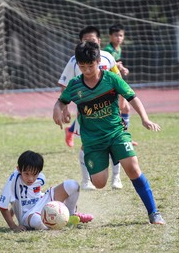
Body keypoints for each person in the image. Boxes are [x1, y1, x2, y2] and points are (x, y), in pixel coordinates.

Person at [53, 41, 166, 225]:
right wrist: (57, 109)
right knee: (99, 183)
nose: (87, 70)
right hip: (92, 141)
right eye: (82, 66)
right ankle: (110, 157)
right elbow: (61, 101)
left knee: (133, 168)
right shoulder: (75, 85)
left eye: (90, 65)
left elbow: (133, 97)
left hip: (116, 132)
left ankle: (154, 213)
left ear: (99, 61)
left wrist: (145, 119)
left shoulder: (111, 79)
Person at [57, 26, 123, 190]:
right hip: (86, 114)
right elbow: (65, 86)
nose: (89, 43)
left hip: (109, 111)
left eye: (92, 40)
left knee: (115, 144)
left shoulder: (107, 57)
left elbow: (117, 77)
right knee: (85, 145)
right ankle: (86, 181)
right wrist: (65, 109)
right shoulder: (74, 62)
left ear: (99, 41)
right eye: (85, 41)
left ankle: (117, 178)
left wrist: (123, 101)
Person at [0, 150, 93, 231]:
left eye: (34, 174)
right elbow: (2, 206)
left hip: (42, 202)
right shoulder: (13, 181)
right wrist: (13, 226)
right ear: (18, 169)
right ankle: (59, 224)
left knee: (73, 185)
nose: (30, 178)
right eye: (26, 174)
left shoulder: (40, 177)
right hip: (28, 216)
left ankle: (71, 214)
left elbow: (25, 196)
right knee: (37, 220)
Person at [103, 23, 131, 129]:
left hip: (117, 80)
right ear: (110, 36)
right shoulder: (108, 50)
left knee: (126, 108)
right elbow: (107, 65)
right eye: (116, 35)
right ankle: (118, 133)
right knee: (118, 108)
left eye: (121, 35)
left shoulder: (118, 49)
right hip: (110, 83)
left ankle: (123, 133)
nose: (119, 38)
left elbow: (117, 63)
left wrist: (122, 68)